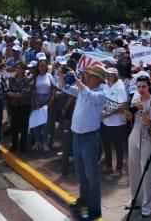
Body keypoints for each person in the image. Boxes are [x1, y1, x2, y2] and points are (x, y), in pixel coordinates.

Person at [56, 65, 111, 220]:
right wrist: (61, 74)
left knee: (92, 175)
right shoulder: (84, 89)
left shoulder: (101, 93)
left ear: (98, 78)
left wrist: (77, 81)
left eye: (90, 75)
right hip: (77, 136)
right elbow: (63, 87)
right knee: (80, 171)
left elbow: (88, 95)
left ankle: (95, 208)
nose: (86, 77)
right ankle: (84, 198)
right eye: (86, 75)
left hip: (89, 137)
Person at [126, 73, 151, 219]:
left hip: (147, 135)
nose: (141, 89)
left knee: (148, 170)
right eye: (138, 87)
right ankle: (135, 199)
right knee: (133, 169)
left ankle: (148, 204)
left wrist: (141, 109)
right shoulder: (135, 98)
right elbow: (129, 119)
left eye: (144, 86)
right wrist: (129, 111)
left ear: (148, 86)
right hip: (134, 132)